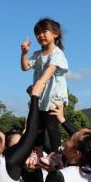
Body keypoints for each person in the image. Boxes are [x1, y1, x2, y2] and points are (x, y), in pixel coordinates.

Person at [20, 18, 68, 154]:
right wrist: (24, 53)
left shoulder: (57, 53)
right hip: (40, 97)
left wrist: (37, 87)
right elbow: (25, 67)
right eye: (38, 33)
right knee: (37, 127)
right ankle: (38, 154)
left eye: (44, 31)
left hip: (53, 98)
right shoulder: (37, 54)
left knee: (51, 126)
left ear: (56, 33)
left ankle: (56, 156)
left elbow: (49, 72)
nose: (40, 35)